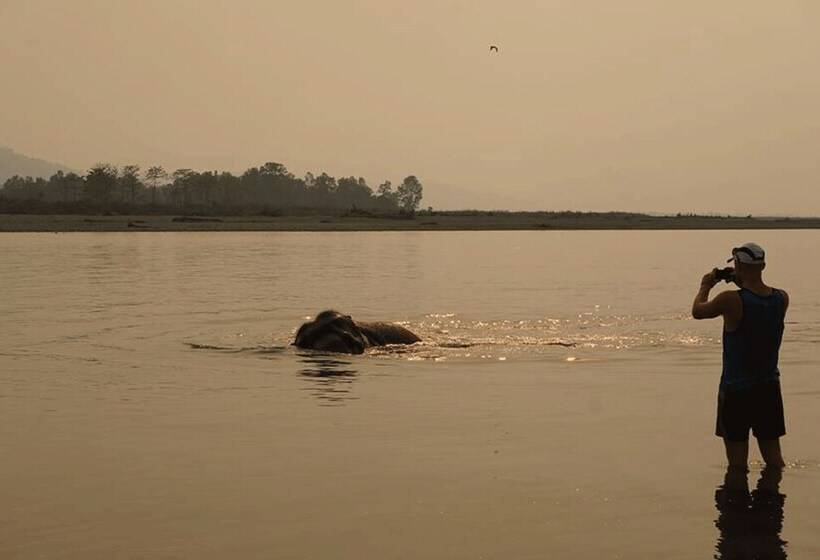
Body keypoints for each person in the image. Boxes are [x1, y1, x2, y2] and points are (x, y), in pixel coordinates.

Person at [691, 242, 788, 470]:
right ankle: (774, 499)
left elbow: (698, 311)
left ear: (737, 265)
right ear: (763, 265)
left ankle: (736, 502)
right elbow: (757, 298)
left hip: (736, 390)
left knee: (737, 465)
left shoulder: (729, 300)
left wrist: (705, 285)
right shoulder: (781, 298)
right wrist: (742, 279)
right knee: (774, 460)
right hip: (768, 387)